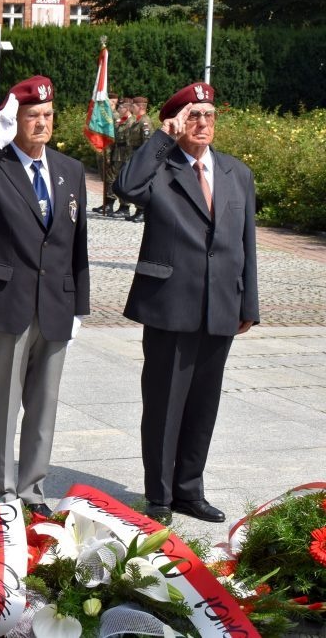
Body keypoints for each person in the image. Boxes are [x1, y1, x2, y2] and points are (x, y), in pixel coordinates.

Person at [114, 82, 258, 526]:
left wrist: (247, 304)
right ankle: (158, 495)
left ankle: (189, 490)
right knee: (164, 403)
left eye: (209, 115)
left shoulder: (237, 174)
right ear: (177, 122)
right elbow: (127, 187)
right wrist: (162, 139)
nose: (202, 124)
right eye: (193, 116)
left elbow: (245, 243)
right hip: (169, 303)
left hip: (221, 305)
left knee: (203, 404)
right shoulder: (161, 168)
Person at [0, 75, 90, 516]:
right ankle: (1, 492)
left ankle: (33, 490)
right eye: (33, 117)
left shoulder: (69, 170)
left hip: (55, 302)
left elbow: (77, 242)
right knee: (5, 402)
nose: (42, 124)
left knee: (44, 405)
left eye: (47, 116)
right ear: (17, 120)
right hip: (7, 303)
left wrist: (79, 305)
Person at [125, 96, 153, 223]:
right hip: (134, 155)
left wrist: (143, 159)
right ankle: (138, 210)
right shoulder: (137, 120)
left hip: (140, 156)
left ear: (140, 107)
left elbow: (147, 143)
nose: (132, 108)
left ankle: (142, 211)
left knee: (140, 184)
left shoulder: (145, 122)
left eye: (134, 106)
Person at [92, 92, 120, 216]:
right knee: (104, 177)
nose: (109, 103)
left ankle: (110, 203)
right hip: (103, 151)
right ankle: (105, 202)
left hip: (112, 152)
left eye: (112, 102)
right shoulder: (106, 115)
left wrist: (110, 155)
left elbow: (115, 138)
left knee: (110, 179)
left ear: (115, 102)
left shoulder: (115, 117)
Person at [109, 97, 135, 218]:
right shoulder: (121, 121)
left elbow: (131, 143)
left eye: (121, 107)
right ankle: (115, 204)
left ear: (127, 109)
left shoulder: (131, 122)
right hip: (118, 154)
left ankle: (125, 207)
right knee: (115, 179)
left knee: (124, 180)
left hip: (126, 155)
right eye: (118, 107)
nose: (119, 108)